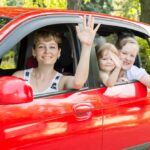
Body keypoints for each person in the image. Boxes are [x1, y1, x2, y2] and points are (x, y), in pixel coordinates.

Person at [13, 15, 100, 94]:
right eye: (41, 47)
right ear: (34, 52)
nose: (47, 51)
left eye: (52, 47)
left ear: (59, 53)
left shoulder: (61, 81)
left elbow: (78, 82)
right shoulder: (19, 77)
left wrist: (86, 46)